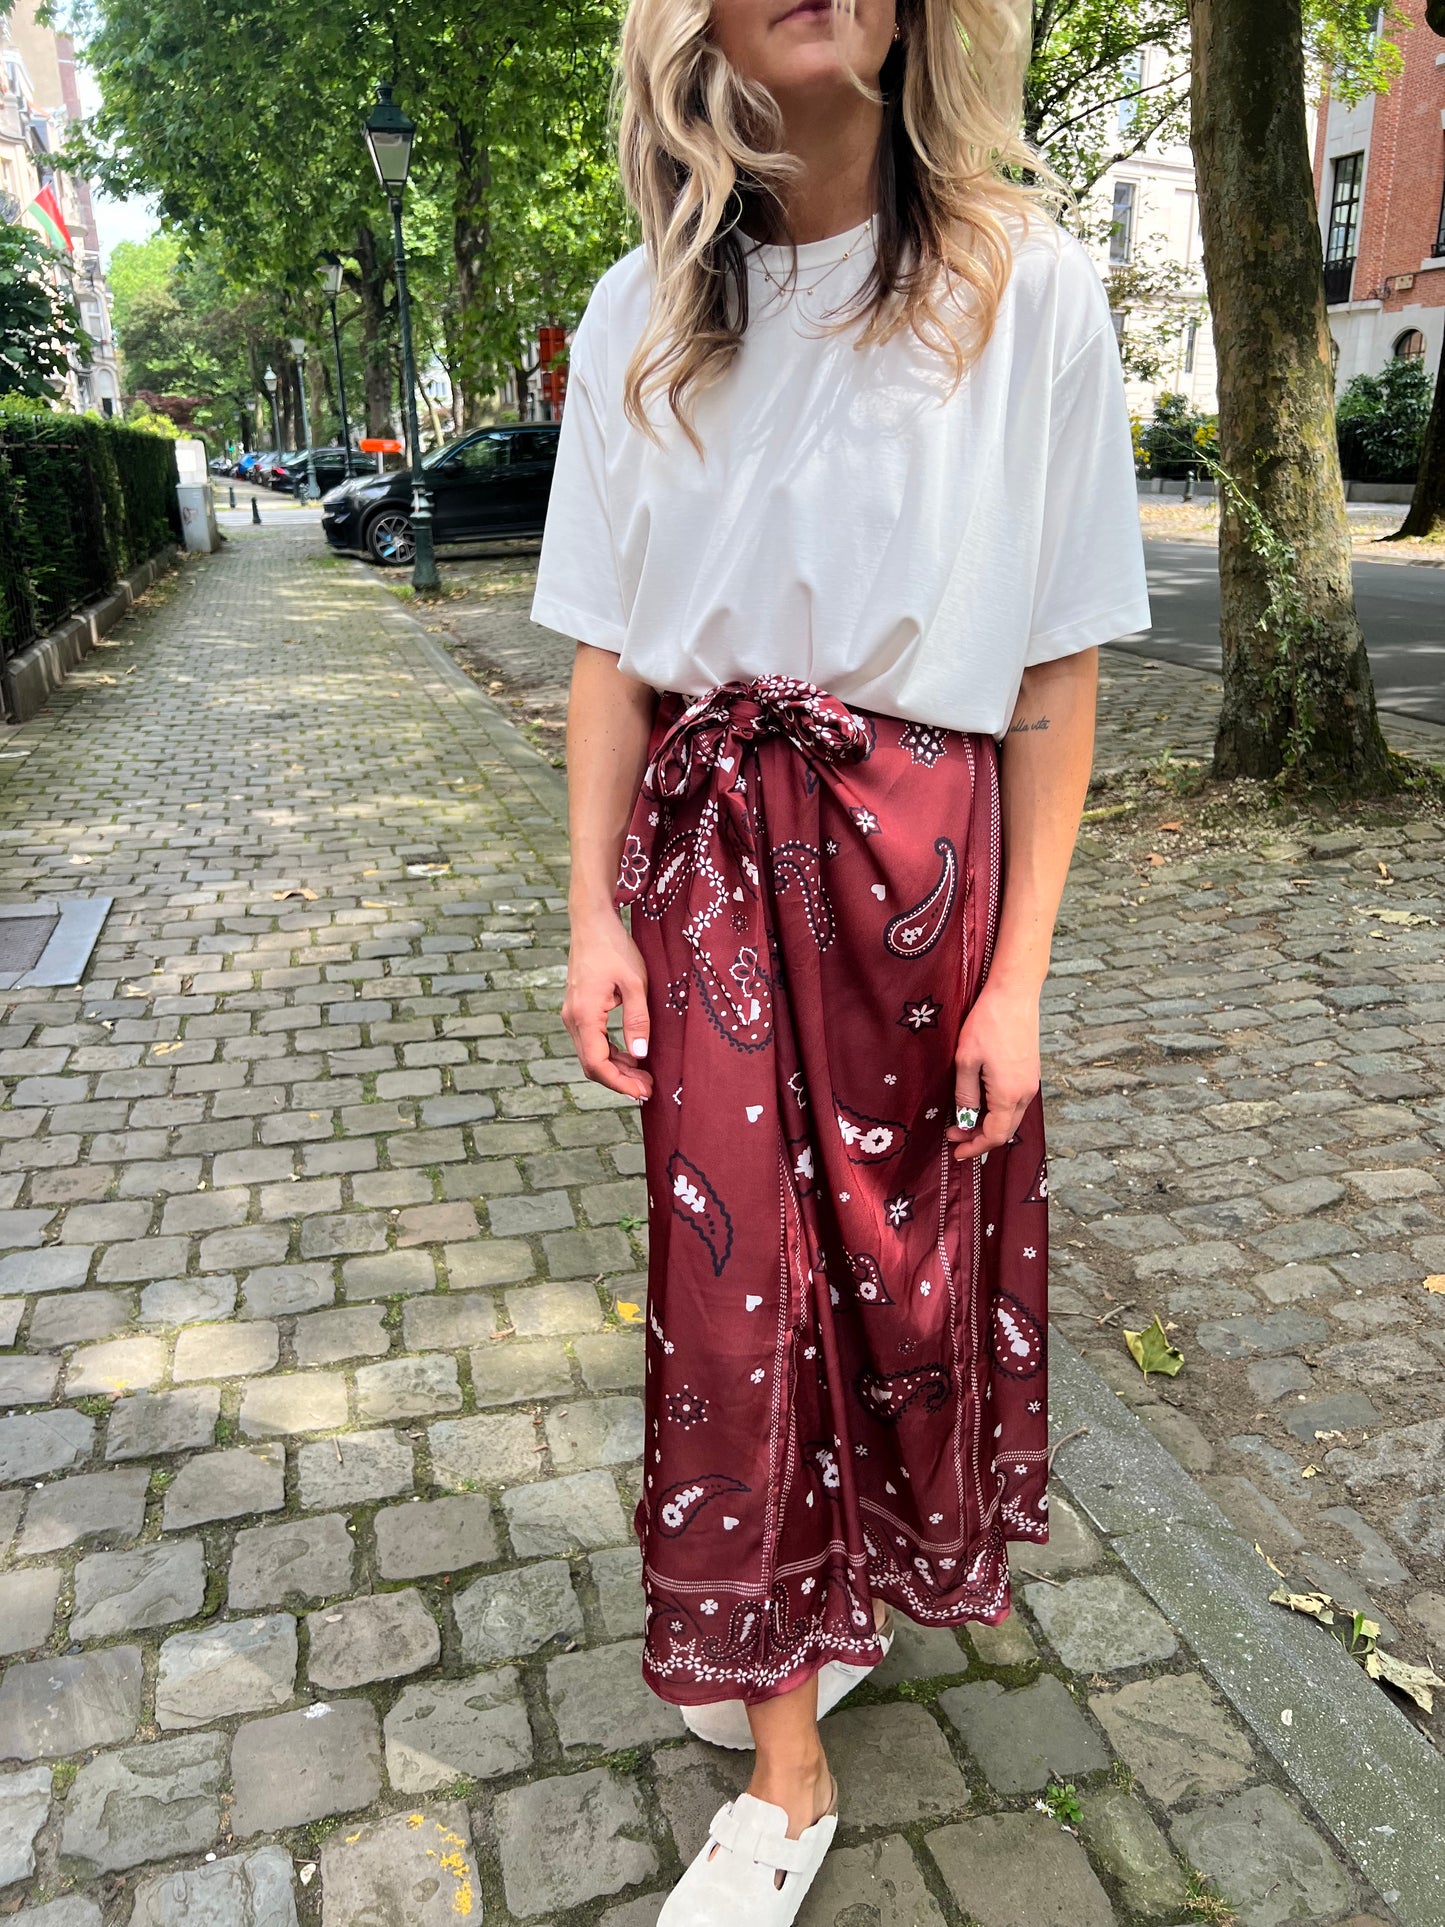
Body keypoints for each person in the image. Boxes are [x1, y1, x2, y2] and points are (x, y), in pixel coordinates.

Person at [534, 1, 1150, 1917]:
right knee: (735, 1295)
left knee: (898, 1278)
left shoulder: (1026, 291)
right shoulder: (637, 313)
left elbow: (1053, 665)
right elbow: (605, 653)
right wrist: (590, 918)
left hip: (922, 864)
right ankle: (783, 1759)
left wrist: (1020, 979)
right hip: (709, 859)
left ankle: (835, 1586)